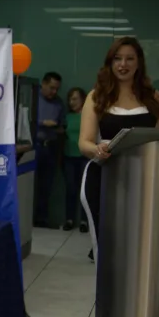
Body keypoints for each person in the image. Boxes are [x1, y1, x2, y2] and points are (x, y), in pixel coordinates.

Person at [79, 37, 159, 260]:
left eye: (130, 58)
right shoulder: (96, 97)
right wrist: (97, 149)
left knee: (142, 250)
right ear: (110, 63)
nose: (123, 64)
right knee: (107, 250)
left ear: (139, 63)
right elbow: (84, 142)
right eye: (117, 59)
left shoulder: (153, 97)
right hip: (103, 179)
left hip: (146, 182)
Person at [34, 71, 66, 228]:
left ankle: (41, 219)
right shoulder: (33, 98)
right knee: (29, 184)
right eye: (52, 88)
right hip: (34, 146)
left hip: (51, 146)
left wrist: (58, 127)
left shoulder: (59, 103)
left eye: (57, 89)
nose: (54, 92)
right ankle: (26, 219)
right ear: (44, 84)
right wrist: (42, 123)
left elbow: (63, 125)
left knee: (46, 186)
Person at [63, 87, 89, 232]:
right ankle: (69, 219)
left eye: (75, 99)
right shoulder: (67, 117)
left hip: (84, 157)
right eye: (70, 99)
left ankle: (85, 221)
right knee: (70, 189)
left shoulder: (88, 116)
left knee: (84, 191)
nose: (71, 102)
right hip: (69, 157)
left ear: (83, 100)